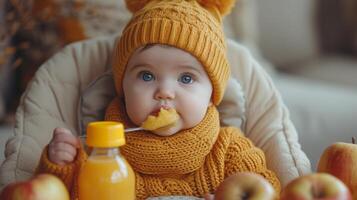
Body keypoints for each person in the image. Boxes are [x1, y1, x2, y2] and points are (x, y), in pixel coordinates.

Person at [35, 0, 281, 199]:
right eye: (146, 75)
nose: (164, 91)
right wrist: (61, 165)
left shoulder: (229, 149)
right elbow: (66, 194)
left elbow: (268, 188)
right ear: (122, 87)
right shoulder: (102, 154)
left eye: (186, 78)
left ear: (211, 96)